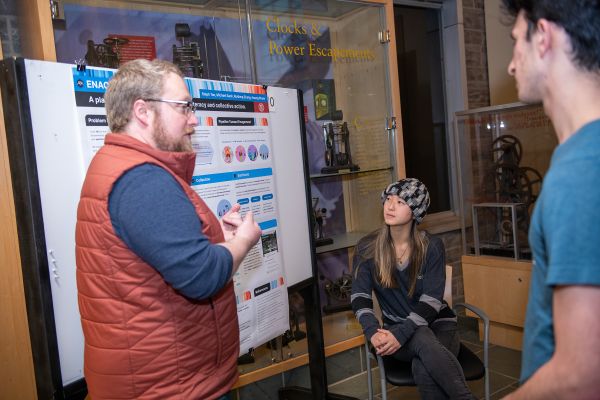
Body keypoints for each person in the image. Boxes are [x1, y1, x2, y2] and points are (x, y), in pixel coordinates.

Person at [75, 59, 262, 400]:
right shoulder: (142, 180)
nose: (193, 120)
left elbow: (164, 254)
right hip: (169, 387)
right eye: (183, 107)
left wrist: (215, 238)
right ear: (143, 112)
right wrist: (243, 242)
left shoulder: (125, 168)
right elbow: (202, 276)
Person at [500, 1, 600, 399]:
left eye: (515, 43)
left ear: (543, 37)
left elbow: (582, 374)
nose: (510, 65)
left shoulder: (580, 171)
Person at [351, 178, 475, 400]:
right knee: (420, 336)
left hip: (440, 327)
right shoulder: (367, 247)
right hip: (394, 331)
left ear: (416, 211)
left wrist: (401, 333)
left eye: (400, 202)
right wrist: (372, 331)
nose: (390, 206)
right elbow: (359, 296)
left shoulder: (432, 247)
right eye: (388, 199)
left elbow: (430, 302)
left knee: (423, 364)